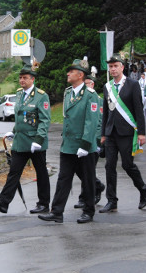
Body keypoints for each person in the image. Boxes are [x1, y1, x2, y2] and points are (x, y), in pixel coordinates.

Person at [38, 58, 100, 224]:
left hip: (83, 145)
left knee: (87, 180)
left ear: (80, 75)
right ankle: (57, 212)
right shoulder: (68, 93)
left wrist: (86, 144)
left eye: (71, 72)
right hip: (68, 145)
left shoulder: (90, 96)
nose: (68, 73)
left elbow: (91, 121)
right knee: (63, 179)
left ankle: (88, 210)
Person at [0, 65, 51, 214]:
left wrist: (39, 140)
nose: (22, 80)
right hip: (21, 141)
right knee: (14, 172)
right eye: (20, 77)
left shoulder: (41, 96)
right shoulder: (20, 94)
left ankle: (43, 203)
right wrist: (14, 131)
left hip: (35, 142)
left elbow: (44, 120)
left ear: (32, 79)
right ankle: (3, 202)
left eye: (25, 78)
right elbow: (21, 117)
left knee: (41, 173)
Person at [99, 54, 146, 213]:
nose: (113, 69)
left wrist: (142, 132)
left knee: (127, 165)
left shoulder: (132, 85)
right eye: (111, 66)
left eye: (116, 66)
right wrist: (103, 133)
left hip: (127, 132)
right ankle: (111, 200)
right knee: (109, 166)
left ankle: (142, 188)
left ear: (122, 67)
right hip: (111, 133)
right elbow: (106, 112)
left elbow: (138, 109)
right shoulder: (107, 87)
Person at [73, 69, 105, 208]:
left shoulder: (98, 100)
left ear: (92, 84)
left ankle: (85, 197)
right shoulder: (80, 98)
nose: (85, 86)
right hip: (81, 141)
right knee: (79, 169)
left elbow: (99, 123)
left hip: (94, 141)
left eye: (87, 84)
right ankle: (97, 185)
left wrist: (98, 141)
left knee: (87, 170)